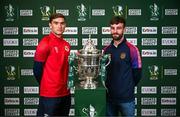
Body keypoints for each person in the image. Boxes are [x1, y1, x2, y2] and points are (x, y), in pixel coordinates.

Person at [103, 16, 142, 117]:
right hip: (109, 98)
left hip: (127, 100)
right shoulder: (106, 50)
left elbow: (137, 74)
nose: (115, 31)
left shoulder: (132, 49)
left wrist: (126, 87)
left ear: (124, 29)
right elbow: (103, 73)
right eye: (112, 28)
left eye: (118, 28)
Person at [33, 13, 71, 116]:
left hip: (65, 93)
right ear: (50, 25)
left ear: (65, 25)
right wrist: (48, 85)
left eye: (62, 23)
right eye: (56, 23)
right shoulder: (44, 43)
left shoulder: (66, 45)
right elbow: (37, 70)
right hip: (50, 96)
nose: (59, 26)